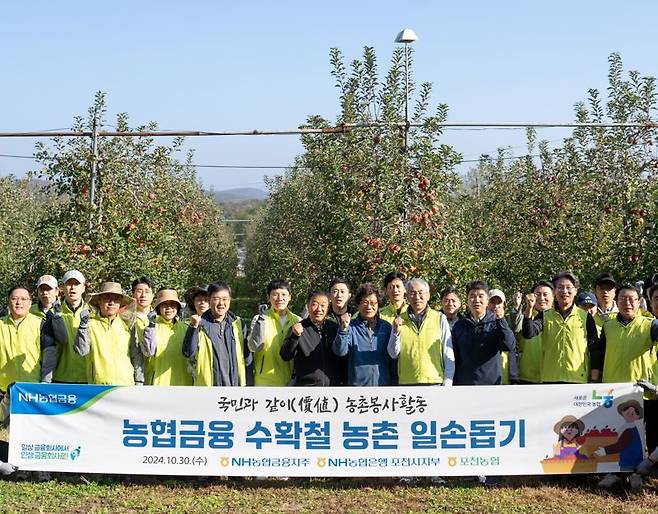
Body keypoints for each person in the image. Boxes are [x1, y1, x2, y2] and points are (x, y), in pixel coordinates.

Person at [452, 281, 516, 486]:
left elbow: (509, 345)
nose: (476, 299)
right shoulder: (460, 325)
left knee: (489, 431)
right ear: (467, 300)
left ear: (487, 300)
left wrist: (501, 319)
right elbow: (454, 355)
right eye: (472, 295)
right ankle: (470, 470)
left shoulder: (496, 322)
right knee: (468, 430)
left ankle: (492, 473)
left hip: (490, 387)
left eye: (480, 296)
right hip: (465, 386)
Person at [599, 284, 658, 474]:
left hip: (641, 393)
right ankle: (614, 473)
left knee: (647, 437)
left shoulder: (650, 325)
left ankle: (647, 472)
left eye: (632, 299)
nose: (628, 303)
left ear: (640, 302)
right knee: (615, 435)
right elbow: (599, 355)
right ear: (616, 301)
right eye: (623, 299)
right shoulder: (607, 327)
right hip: (613, 393)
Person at [523, 271, 601, 384]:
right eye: (560, 287)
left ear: (576, 291)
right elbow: (528, 333)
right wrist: (529, 309)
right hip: (550, 378)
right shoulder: (545, 315)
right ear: (554, 291)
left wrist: (594, 379)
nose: (564, 291)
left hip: (577, 378)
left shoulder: (585, 317)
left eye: (569, 287)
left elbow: (594, 349)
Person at [74, 282, 143, 385]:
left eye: (116, 299)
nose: (111, 302)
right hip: (98, 387)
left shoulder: (127, 325)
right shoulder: (89, 325)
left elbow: (136, 355)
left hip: (126, 385)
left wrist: (139, 381)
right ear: (99, 301)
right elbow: (81, 351)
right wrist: (83, 326)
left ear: (120, 303)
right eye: (107, 298)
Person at [183, 282, 252, 386]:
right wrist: (193, 327)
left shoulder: (238, 323)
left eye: (225, 299)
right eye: (216, 299)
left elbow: (247, 358)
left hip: (235, 387)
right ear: (209, 300)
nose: (221, 303)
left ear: (230, 300)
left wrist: (250, 384)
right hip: (208, 389)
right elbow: (188, 352)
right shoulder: (199, 324)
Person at [389, 278, 454, 387]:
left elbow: (448, 352)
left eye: (421, 293)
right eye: (413, 293)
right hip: (407, 382)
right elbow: (392, 353)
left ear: (428, 295)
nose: (417, 297)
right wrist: (396, 333)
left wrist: (448, 382)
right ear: (407, 296)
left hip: (434, 381)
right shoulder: (399, 320)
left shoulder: (439, 318)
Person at [333, 283, 396, 386]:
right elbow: (340, 352)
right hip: (357, 390)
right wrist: (343, 329)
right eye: (365, 302)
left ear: (378, 305)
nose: (369, 307)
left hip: (383, 388)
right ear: (358, 304)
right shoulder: (350, 327)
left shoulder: (387, 327)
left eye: (373, 303)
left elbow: (393, 360)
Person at [0, 285, 57, 393]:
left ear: (30, 303)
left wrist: (45, 382)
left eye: (23, 299)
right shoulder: (1, 324)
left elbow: (49, 355)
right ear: (8, 302)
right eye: (14, 298)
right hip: (3, 390)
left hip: (31, 390)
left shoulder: (41, 324)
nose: (19, 302)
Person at [280, 290, 342, 386]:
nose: (319, 309)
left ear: (328, 307)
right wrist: (294, 336)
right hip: (307, 388)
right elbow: (285, 355)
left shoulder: (335, 328)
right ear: (308, 306)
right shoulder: (298, 328)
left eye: (323, 305)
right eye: (315, 304)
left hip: (332, 387)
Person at [248, 279, 301, 386]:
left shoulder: (297, 321)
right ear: (268, 297)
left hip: (289, 381)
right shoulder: (259, 319)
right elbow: (252, 346)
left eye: (284, 294)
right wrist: (261, 321)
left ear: (290, 297)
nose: (280, 298)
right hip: (264, 381)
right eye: (275, 294)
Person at [141, 289, 193, 386]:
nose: (169, 308)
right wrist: (151, 325)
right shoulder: (152, 328)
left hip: (184, 384)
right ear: (158, 308)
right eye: (164, 304)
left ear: (177, 307)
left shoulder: (186, 328)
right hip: (159, 384)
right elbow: (149, 351)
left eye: (172, 304)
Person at [48, 270, 89, 383]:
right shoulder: (52, 314)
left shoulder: (92, 313)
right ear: (62, 288)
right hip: (59, 378)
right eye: (69, 284)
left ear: (84, 288)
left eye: (76, 284)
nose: (72, 288)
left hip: (88, 379)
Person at [515, 280, 554, 384]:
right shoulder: (523, 318)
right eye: (538, 294)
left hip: (552, 376)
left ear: (553, 296)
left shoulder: (559, 318)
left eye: (545, 295)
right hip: (527, 377)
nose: (541, 298)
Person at [487, 288, 520, 385]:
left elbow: (510, 345)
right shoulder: (481, 325)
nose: (496, 306)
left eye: (499, 303)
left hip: (509, 379)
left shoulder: (508, 323)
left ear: (504, 305)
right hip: (488, 380)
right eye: (492, 302)